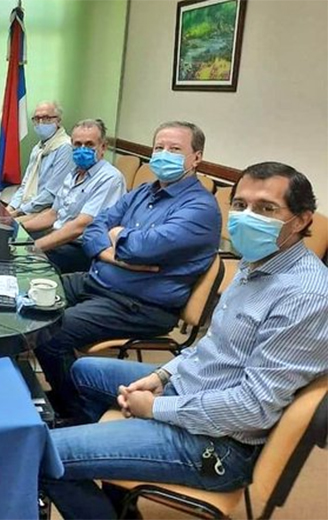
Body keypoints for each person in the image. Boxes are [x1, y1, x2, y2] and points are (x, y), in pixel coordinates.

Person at [40, 161, 328, 520]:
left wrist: (155, 409)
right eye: (240, 205)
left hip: (219, 444)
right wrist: (161, 376)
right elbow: (212, 345)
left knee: (42, 454)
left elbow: (252, 408)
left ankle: (97, 457)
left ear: (301, 220)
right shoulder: (257, 262)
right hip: (193, 390)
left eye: (266, 208)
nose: (247, 216)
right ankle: (113, 473)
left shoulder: (305, 295)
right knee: (83, 371)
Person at [36, 121, 221, 420]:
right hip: (97, 282)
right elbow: (96, 227)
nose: (164, 154)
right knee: (32, 297)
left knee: (50, 333)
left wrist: (117, 235)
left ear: (196, 158)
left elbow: (140, 249)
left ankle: (76, 413)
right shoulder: (144, 192)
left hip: (137, 304)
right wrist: (114, 256)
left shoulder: (200, 208)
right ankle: (61, 392)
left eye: (175, 149)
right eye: (159, 147)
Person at [20, 119, 125, 273]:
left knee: (23, 262)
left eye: (89, 144)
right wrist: (18, 227)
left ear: (103, 147)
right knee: (11, 247)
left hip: (81, 248)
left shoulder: (110, 178)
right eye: (77, 144)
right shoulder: (73, 174)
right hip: (59, 239)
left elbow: (81, 226)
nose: (82, 149)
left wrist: (35, 247)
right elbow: (53, 214)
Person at [6, 102, 75, 217]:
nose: (41, 123)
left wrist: (19, 212)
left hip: (48, 212)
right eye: (37, 119)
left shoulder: (65, 148)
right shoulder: (38, 149)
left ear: (58, 121)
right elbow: (25, 185)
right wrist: (10, 208)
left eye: (47, 118)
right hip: (27, 207)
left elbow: (52, 193)